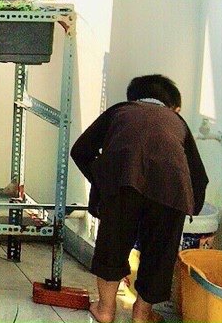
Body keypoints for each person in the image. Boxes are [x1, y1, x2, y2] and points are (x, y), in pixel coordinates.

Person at [71, 75, 208, 323]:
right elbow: (199, 177)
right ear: (174, 107)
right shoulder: (177, 122)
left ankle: (105, 310)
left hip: (123, 183)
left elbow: (80, 150)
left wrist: (103, 180)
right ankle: (142, 315)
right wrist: (191, 207)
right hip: (171, 192)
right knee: (159, 254)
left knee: (112, 245)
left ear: (132, 99)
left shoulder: (120, 111)